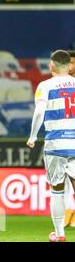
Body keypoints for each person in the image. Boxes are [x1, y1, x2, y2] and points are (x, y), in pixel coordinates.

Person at [27, 50, 75, 242]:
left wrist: (32, 136)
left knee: (57, 189)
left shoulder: (45, 85)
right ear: (69, 66)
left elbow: (39, 112)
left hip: (55, 142)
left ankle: (59, 234)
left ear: (51, 66)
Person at [64, 50, 75, 228]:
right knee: (63, 177)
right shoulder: (59, 85)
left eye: (72, 62)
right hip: (63, 135)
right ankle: (69, 213)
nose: (69, 66)